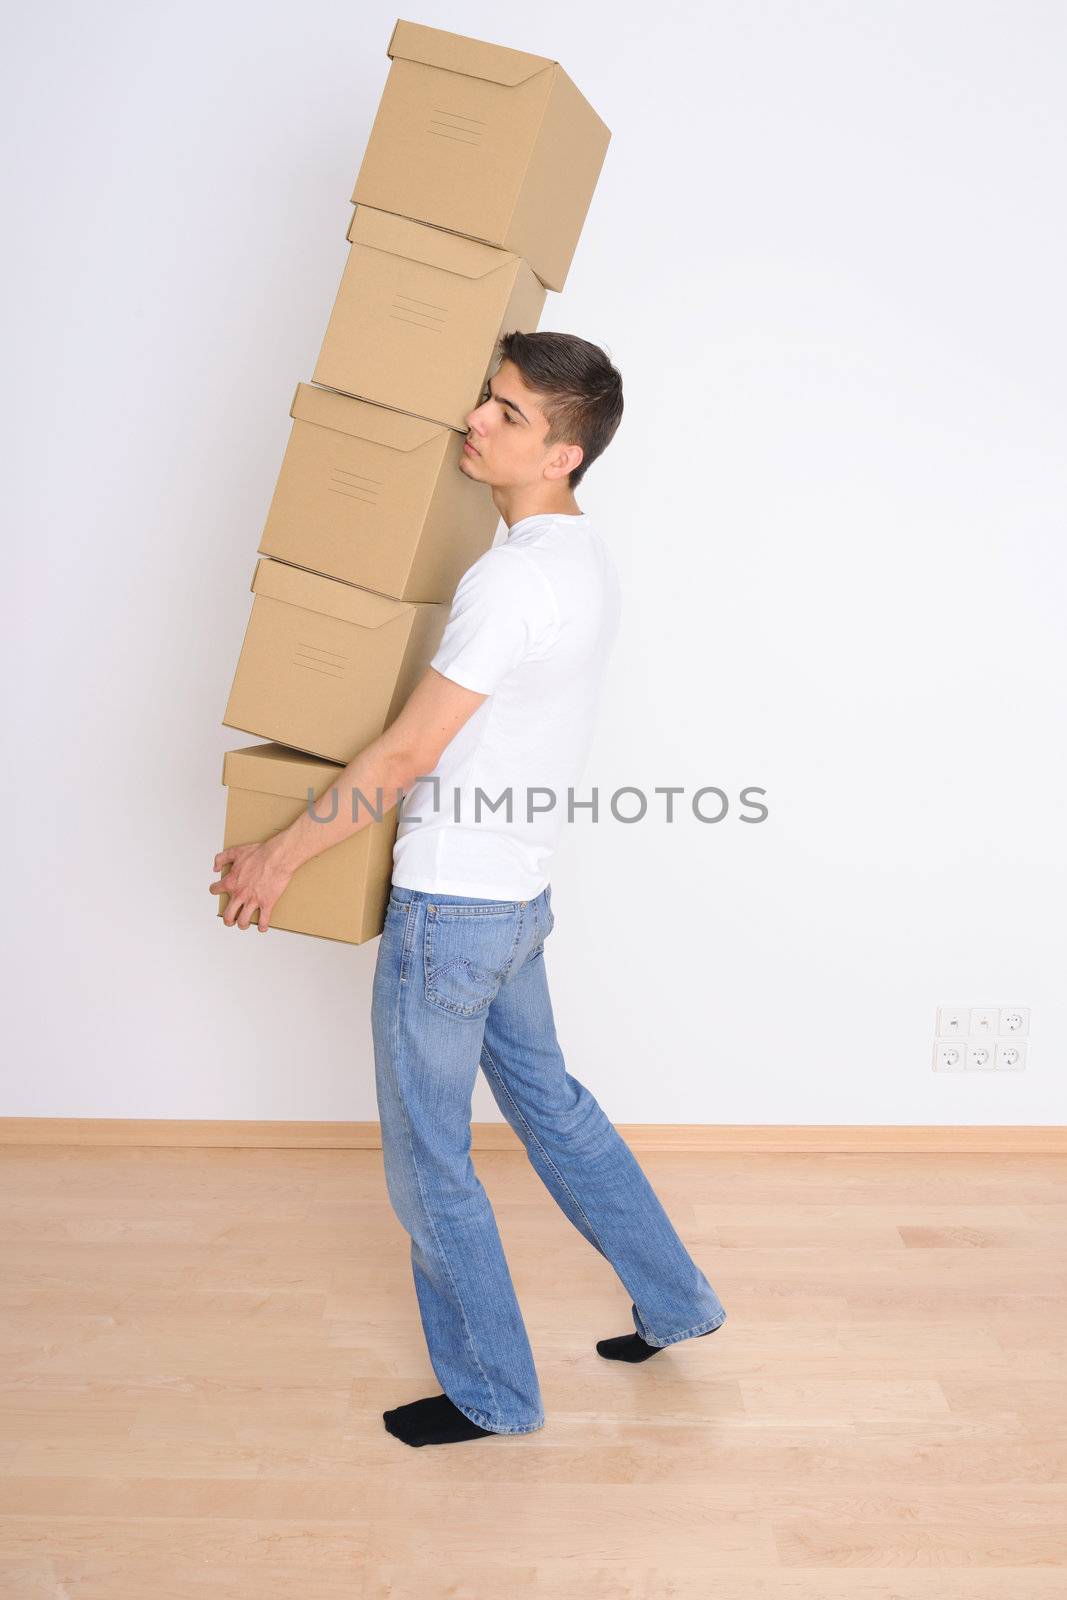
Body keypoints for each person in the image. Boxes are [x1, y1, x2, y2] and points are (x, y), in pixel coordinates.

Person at [209, 331, 727, 1447]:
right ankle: (678, 1302)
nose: (474, 424)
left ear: (564, 454)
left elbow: (403, 758)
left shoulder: (509, 582)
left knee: (430, 1162)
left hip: (452, 912)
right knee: (556, 1115)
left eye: (506, 415)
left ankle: (494, 1393)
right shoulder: (581, 560)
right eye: (483, 401)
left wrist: (276, 859)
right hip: (516, 904)